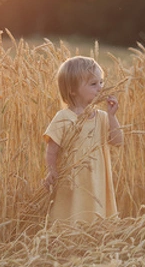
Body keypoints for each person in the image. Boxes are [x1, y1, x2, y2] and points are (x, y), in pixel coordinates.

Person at [43, 56, 123, 223]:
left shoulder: (101, 117)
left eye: (100, 82)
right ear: (72, 90)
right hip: (73, 181)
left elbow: (117, 141)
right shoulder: (63, 117)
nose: (100, 88)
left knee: (96, 217)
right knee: (70, 217)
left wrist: (112, 116)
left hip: (97, 180)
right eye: (93, 84)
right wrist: (51, 170)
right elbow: (52, 149)